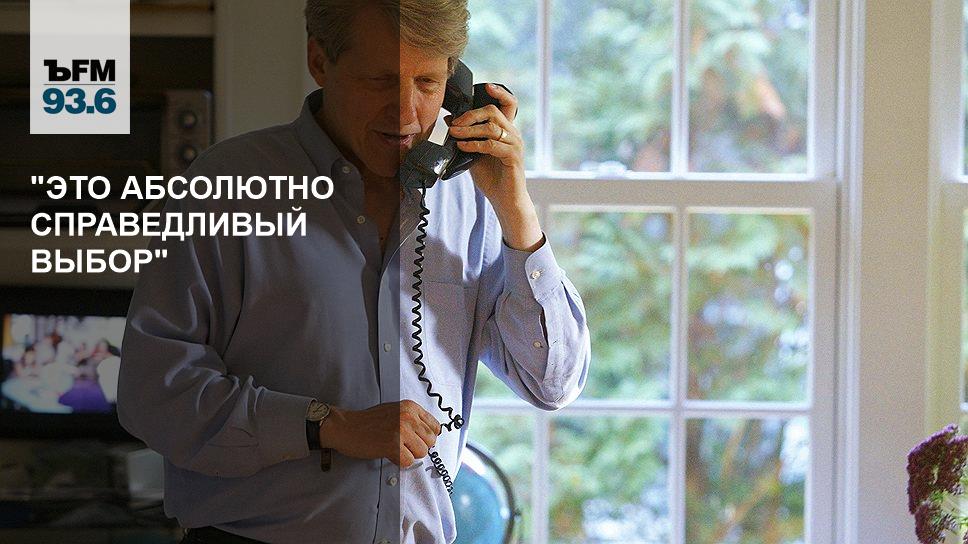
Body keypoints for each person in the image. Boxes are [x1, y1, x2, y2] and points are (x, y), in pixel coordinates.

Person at [117, 1, 590, 543]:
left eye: (429, 83)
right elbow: (154, 393)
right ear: (320, 61)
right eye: (379, 81)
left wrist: (515, 210)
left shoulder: (474, 198)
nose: (406, 113)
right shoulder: (227, 184)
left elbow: (553, 383)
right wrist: (327, 425)